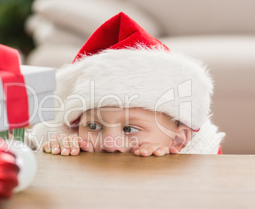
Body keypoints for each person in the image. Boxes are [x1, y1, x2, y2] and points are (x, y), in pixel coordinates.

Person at [27, 12, 225, 156]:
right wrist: (57, 146)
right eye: (93, 126)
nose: (110, 144)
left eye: (129, 129)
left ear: (178, 139)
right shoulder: (73, 142)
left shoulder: (202, 164)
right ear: (75, 126)